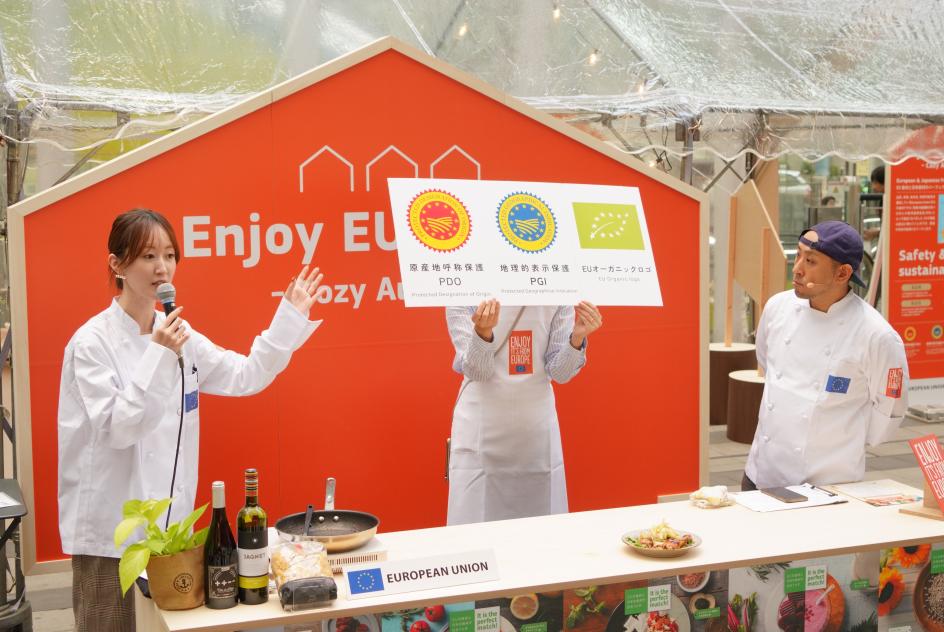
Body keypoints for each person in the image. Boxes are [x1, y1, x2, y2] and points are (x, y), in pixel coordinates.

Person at [58, 209, 325, 632]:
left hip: (173, 535)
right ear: (117, 265)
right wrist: (160, 354)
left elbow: (246, 375)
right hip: (113, 539)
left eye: (169, 255)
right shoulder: (92, 343)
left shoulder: (181, 335)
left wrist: (287, 318)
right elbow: (120, 427)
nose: (161, 267)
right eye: (147, 256)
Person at [742, 220, 908, 491]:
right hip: (760, 474)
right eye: (798, 255)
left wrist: (842, 441)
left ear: (842, 273)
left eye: (811, 261)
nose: (796, 269)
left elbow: (890, 409)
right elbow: (766, 362)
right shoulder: (777, 307)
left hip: (828, 485)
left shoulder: (876, 335)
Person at [445, 299, 602, 525]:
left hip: (536, 429)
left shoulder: (555, 292)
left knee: (541, 530)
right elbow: (477, 371)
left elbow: (559, 373)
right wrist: (483, 332)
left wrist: (577, 338)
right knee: (476, 526)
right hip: (482, 426)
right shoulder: (462, 292)